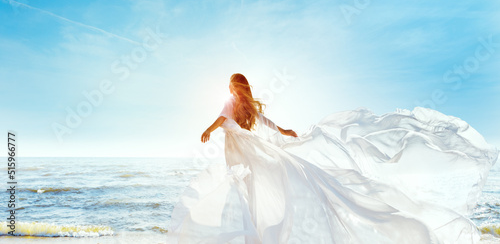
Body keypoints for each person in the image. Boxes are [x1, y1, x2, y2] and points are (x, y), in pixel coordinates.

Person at [168, 73, 498, 244]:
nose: (232, 89)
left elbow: (239, 120)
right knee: (250, 192)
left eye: (232, 84)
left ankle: (261, 237)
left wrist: (279, 130)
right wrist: (213, 130)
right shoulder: (242, 104)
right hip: (244, 150)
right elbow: (242, 120)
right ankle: (260, 236)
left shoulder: (241, 103)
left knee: (251, 192)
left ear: (237, 85)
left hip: (244, 151)